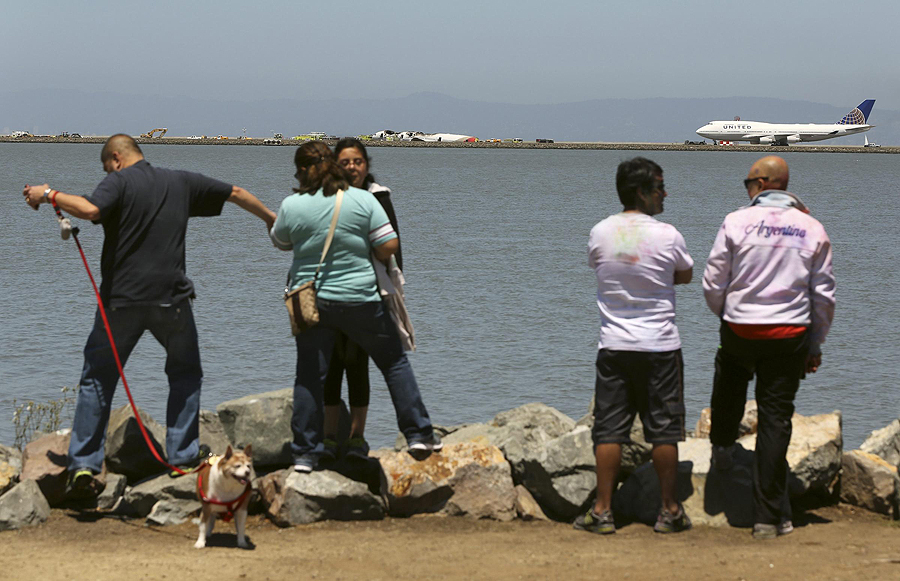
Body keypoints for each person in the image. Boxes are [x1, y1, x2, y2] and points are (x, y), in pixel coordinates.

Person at [22, 134, 277, 494]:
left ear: (115, 158)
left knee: (98, 379)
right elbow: (235, 192)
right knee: (185, 374)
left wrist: (48, 194)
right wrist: (269, 217)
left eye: (106, 166)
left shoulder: (118, 181)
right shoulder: (180, 181)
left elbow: (91, 209)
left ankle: (82, 466)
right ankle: (182, 457)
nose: (107, 172)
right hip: (171, 300)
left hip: (120, 301)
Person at [270, 141, 441, 473]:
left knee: (309, 376)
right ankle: (418, 434)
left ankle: (305, 453)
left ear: (303, 171)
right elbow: (388, 244)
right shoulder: (364, 199)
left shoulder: (293, 204)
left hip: (312, 299)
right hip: (361, 297)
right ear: (334, 166)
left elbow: (281, 241)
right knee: (393, 363)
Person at [702, 155, 835, 540]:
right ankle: (768, 516)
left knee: (729, 379)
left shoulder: (736, 221)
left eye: (747, 182)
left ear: (761, 184)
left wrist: (727, 315)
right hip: (789, 333)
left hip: (740, 327)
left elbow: (713, 282)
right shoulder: (812, 228)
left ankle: (722, 451)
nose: (745, 189)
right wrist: (815, 342)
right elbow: (823, 295)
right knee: (776, 418)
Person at [574, 157, 694, 535]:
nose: (665, 193)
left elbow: (599, 265)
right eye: (659, 186)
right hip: (659, 345)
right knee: (664, 431)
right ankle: (670, 510)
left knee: (609, 430)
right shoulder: (668, 235)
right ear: (642, 192)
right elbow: (685, 274)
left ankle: (602, 510)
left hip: (614, 345)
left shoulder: (600, 232)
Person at [317, 138, 404, 460]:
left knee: (357, 364)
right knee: (330, 365)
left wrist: (390, 294)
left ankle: (356, 437)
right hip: (329, 292)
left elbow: (394, 250)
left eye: (357, 161)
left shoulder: (377, 195)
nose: (352, 167)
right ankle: (328, 437)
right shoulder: (324, 195)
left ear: (366, 163)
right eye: (345, 161)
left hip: (368, 294)